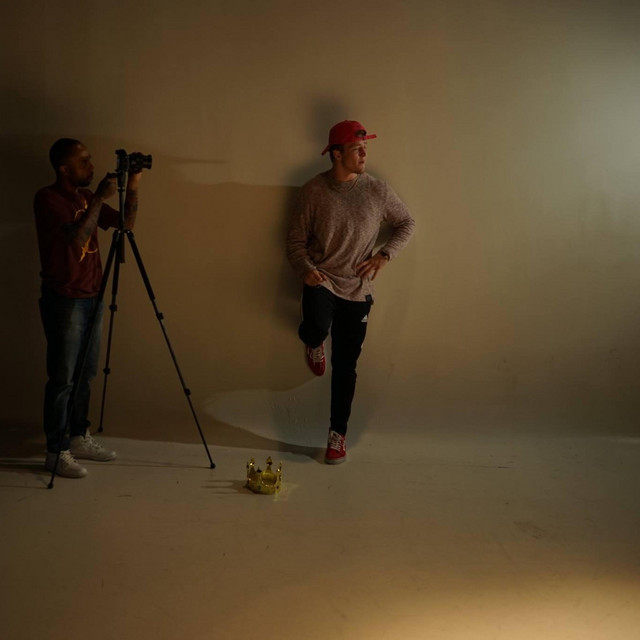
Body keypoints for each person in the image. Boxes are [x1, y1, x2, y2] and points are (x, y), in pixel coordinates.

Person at [286, 120, 415, 464]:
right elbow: (294, 242)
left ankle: (337, 436)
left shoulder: (377, 190)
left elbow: (407, 223)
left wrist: (384, 256)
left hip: (357, 288)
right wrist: (306, 270)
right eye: (357, 149)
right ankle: (314, 341)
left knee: (346, 366)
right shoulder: (313, 191)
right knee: (316, 326)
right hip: (322, 278)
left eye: (365, 148)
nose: (364, 155)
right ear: (337, 154)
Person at [34, 138, 142, 478]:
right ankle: (56, 451)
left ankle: (79, 436)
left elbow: (125, 224)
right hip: (64, 298)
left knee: (85, 374)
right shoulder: (48, 198)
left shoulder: (84, 197)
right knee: (63, 377)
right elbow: (76, 239)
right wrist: (98, 198)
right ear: (64, 169)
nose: (91, 167)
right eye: (84, 162)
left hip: (93, 294)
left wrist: (132, 185)